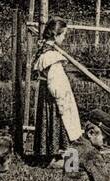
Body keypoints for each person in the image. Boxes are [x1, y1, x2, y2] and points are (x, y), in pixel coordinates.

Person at [32, 18, 83, 156]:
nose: (64, 38)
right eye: (63, 35)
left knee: (49, 125)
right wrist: (63, 98)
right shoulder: (51, 57)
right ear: (55, 35)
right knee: (62, 123)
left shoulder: (44, 51)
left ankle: (49, 154)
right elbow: (55, 82)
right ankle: (67, 161)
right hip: (54, 97)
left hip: (46, 94)